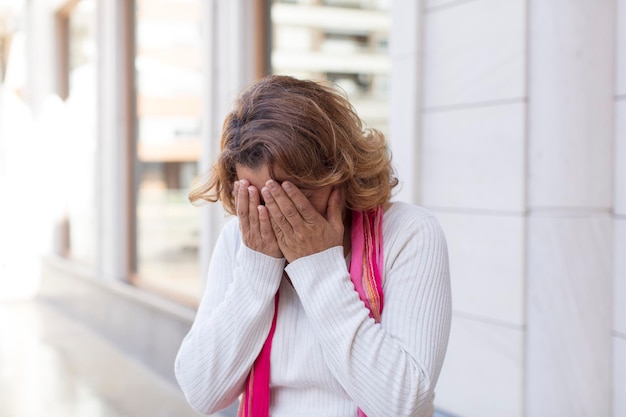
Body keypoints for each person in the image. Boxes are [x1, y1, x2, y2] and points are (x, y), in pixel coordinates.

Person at [175, 75, 452, 417]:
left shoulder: (409, 233)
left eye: (294, 196)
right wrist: (257, 271)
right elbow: (202, 392)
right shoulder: (241, 239)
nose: (277, 215)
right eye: (259, 198)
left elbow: (401, 406)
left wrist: (318, 265)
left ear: (340, 173)